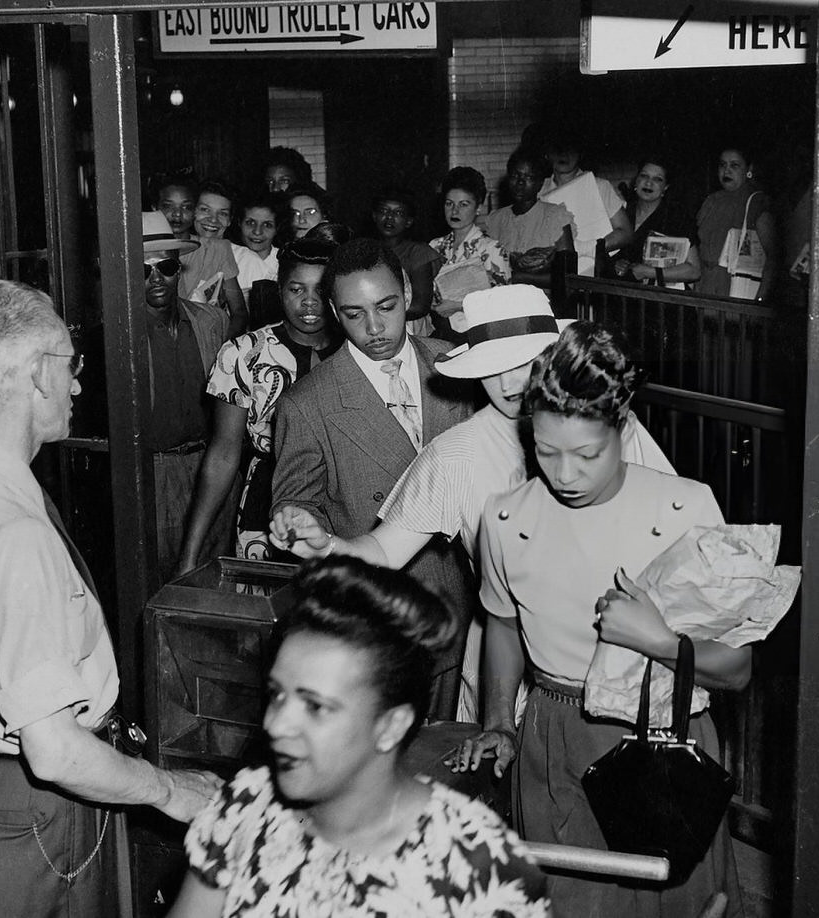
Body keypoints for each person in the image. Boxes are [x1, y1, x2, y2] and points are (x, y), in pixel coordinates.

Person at [0, 279, 221, 918]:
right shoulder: (13, 533)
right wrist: (169, 790)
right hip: (35, 817)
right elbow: (56, 749)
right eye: (72, 366)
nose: (78, 386)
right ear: (39, 374)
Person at [452, 321, 749, 917]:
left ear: (623, 429)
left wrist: (658, 640)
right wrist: (498, 723)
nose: (565, 475)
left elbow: (736, 670)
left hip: (664, 739)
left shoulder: (687, 508)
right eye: (545, 451)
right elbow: (504, 627)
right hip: (552, 739)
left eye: (587, 454)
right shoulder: (506, 518)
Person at [271, 285, 674, 722]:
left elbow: (673, 533)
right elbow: (385, 550)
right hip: (505, 665)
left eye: (524, 363)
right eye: (492, 368)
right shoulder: (456, 454)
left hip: (615, 651)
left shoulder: (610, 427)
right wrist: (327, 545)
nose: (508, 383)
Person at [167, 556, 551, 918]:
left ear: (391, 726)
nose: (276, 725)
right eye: (277, 695)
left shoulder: (474, 863)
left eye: (315, 706)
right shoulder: (245, 808)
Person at [270, 238, 475, 721]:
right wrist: (298, 521)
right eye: (355, 313)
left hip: (467, 612)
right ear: (333, 312)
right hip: (380, 620)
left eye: (387, 306)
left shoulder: (458, 366)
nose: (376, 327)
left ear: (407, 291)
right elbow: (298, 503)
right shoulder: (309, 403)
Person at [177, 237, 342, 572]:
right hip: (264, 511)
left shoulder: (355, 352)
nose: (309, 302)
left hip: (343, 506)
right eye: (297, 289)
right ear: (278, 290)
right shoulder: (243, 353)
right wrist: (189, 556)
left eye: (321, 291)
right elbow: (223, 455)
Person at [140, 216, 232, 582]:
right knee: (160, 580)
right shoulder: (119, 332)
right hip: (153, 471)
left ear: (179, 269)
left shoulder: (211, 321)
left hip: (210, 467)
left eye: (165, 266)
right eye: (143, 270)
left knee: (213, 579)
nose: (156, 278)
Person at [536, 126, 633, 275]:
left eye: (570, 148)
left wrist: (589, 248)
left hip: (597, 274)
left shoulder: (600, 186)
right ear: (546, 154)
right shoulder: (538, 191)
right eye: (557, 148)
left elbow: (625, 232)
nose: (563, 154)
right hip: (555, 275)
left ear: (580, 153)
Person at [695, 146, 780, 301]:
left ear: (748, 169)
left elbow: (773, 257)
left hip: (738, 293)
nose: (727, 171)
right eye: (722, 165)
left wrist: (760, 299)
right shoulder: (711, 201)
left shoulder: (757, 203)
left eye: (734, 166)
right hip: (705, 291)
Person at [481, 147, 574, 287]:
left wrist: (519, 277)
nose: (520, 182)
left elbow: (568, 275)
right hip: (503, 300)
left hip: (543, 302)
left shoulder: (555, 216)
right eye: (515, 176)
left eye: (529, 177)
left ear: (540, 183)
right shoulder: (495, 220)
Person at [428, 166, 509, 320]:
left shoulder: (491, 249)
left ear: (478, 208)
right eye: (449, 203)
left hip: (480, 330)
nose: (454, 211)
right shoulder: (434, 247)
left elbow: (502, 302)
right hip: (440, 329)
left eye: (463, 204)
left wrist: (459, 306)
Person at [612, 157, 702, 288]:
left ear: (665, 187)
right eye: (644, 176)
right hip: (623, 298)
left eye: (657, 179)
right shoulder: (621, 213)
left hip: (662, 302)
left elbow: (694, 271)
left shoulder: (677, 218)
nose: (649, 183)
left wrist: (649, 272)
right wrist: (617, 264)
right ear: (636, 181)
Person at [180, 179, 249, 338]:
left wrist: (220, 347)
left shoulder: (221, 250)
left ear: (230, 220)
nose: (213, 219)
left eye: (223, 213)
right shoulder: (169, 247)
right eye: (205, 209)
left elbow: (239, 312)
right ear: (192, 211)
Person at [368, 186, 438, 332]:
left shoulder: (418, 253)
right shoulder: (365, 250)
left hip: (409, 328)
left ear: (408, 221)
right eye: (384, 211)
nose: (389, 217)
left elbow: (420, 306)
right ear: (374, 216)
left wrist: (374, 313)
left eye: (398, 213)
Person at [232, 192, 284, 328]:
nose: (257, 232)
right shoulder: (230, 257)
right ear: (239, 223)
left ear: (277, 228)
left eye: (267, 225)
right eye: (250, 223)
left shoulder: (285, 261)